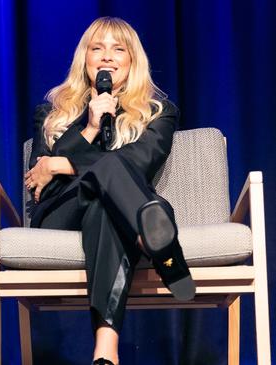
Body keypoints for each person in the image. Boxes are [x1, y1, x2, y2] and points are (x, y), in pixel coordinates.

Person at [24, 17, 195, 365]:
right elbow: (44, 186)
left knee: (107, 204)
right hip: (60, 213)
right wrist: (88, 127)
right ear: (84, 59)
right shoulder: (50, 114)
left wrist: (60, 163)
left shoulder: (157, 114)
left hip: (111, 213)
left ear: (132, 61)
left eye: (118, 49)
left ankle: (105, 353)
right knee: (112, 171)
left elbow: (139, 163)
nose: (106, 57)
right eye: (97, 48)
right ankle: (160, 246)